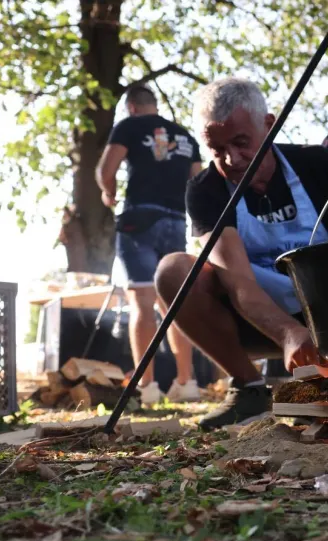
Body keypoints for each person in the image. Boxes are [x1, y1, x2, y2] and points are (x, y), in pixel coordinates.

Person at [154, 78, 328, 429]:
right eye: (216, 149)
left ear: (268, 125)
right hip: (254, 320)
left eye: (241, 143)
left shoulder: (314, 163)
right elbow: (241, 287)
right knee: (173, 270)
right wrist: (288, 334)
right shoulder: (206, 190)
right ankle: (250, 390)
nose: (231, 159)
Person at [95, 85, 202, 405]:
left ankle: (148, 387)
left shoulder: (129, 126)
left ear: (131, 107)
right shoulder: (185, 137)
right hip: (175, 221)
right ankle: (187, 383)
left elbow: (105, 170)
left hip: (138, 220)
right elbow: (197, 183)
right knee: (174, 305)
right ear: (154, 104)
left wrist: (109, 193)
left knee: (142, 302)